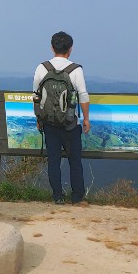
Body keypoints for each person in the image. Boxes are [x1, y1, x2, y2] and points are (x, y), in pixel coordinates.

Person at [33, 31, 91, 206]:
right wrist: (86, 119)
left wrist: (39, 118)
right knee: (75, 161)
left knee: (53, 161)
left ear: (52, 47)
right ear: (70, 49)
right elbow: (83, 95)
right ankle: (77, 197)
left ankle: (57, 196)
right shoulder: (75, 70)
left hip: (49, 123)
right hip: (71, 123)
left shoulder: (42, 68)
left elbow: (36, 95)